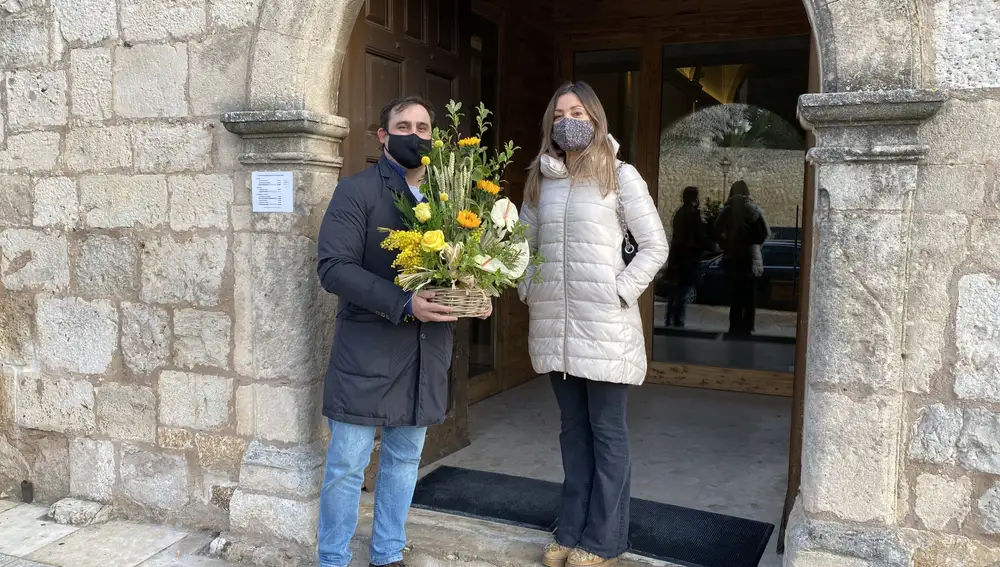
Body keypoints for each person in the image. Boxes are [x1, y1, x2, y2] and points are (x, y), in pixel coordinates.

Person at [315, 96, 491, 567]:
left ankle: (387, 554)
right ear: (383, 134)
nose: (414, 134)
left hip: (424, 352)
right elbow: (333, 268)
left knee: (404, 462)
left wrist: (478, 289)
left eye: (423, 127)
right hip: (367, 353)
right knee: (347, 466)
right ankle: (332, 560)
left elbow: (458, 270)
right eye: (403, 125)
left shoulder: (452, 199)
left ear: (434, 136)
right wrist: (403, 301)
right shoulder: (356, 193)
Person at [518, 82, 669, 567]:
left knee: (606, 433)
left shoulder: (620, 176)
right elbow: (519, 245)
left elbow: (655, 246)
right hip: (554, 326)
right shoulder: (539, 181)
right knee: (572, 433)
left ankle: (603, 539)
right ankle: (569, 529)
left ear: (596, 118)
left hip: (604, 327)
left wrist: (619, 291)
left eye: (577, 111)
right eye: (559, 113)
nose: (568, 120)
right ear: (550, 124)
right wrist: (524, 285)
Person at [713, 180, 770, 337]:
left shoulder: (726, 211)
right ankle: (748, 327)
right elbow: (765, 234)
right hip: (749, 258)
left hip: (732, 258)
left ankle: (735, 326)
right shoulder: (753, 210)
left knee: (735, 296)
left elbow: (716, 232)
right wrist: (754, 245)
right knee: (749, 296)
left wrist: (727, 243)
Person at [663, 186, 710, 328]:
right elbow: (698, 236)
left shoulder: (680, 213)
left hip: (679, 258)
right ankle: (678, 320)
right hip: (689, 259)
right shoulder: (692, 214)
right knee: (683, 293)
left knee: (676, 292)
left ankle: (670, 318)